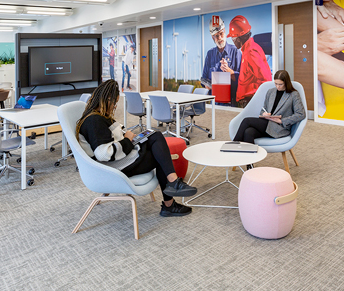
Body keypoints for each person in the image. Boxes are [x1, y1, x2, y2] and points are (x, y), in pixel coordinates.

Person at [76, 79, 197, 217]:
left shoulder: (98, 116)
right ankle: (171, 194)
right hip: (114, 167)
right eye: (114, 103)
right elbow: (104, 154)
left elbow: (110, 140)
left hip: (120, 160)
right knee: (160, 155)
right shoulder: (94, 121)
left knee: (156, 137)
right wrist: (127, 139)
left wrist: (128, 137)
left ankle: (173, 187)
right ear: (107, 100)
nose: (114, 107)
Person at [232, 70, 305, 144]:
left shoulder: (293, 94)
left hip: (279, 128)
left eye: (280, 84)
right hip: (266, 123)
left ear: (286, 83)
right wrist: (264, 114)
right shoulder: (271, 91)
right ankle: (247, 151)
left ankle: (234, 144)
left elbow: (301, 114)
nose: (277, 86)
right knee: (248, 132)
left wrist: (282, 121)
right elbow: (263, 109)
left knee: (247, 121)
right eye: (276, 83)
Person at [227, 15, 273, 107]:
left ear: (238, 38)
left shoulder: (251, 52)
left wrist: (259, 100)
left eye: (232, 38)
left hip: (251, 101)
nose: (233, 42)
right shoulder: (248, 50)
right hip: (249, 100)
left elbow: (265, 79)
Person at [201, 15, 241, 94]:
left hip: (231, 99)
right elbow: (204, 79)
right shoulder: (210, 54)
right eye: (216, 36)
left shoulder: (235, 52)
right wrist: (207, 85)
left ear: (224, 31)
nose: (219, 38)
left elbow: (242, 79)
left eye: (221, 33)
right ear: (212, 37)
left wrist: (229, 72)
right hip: (214, 99)